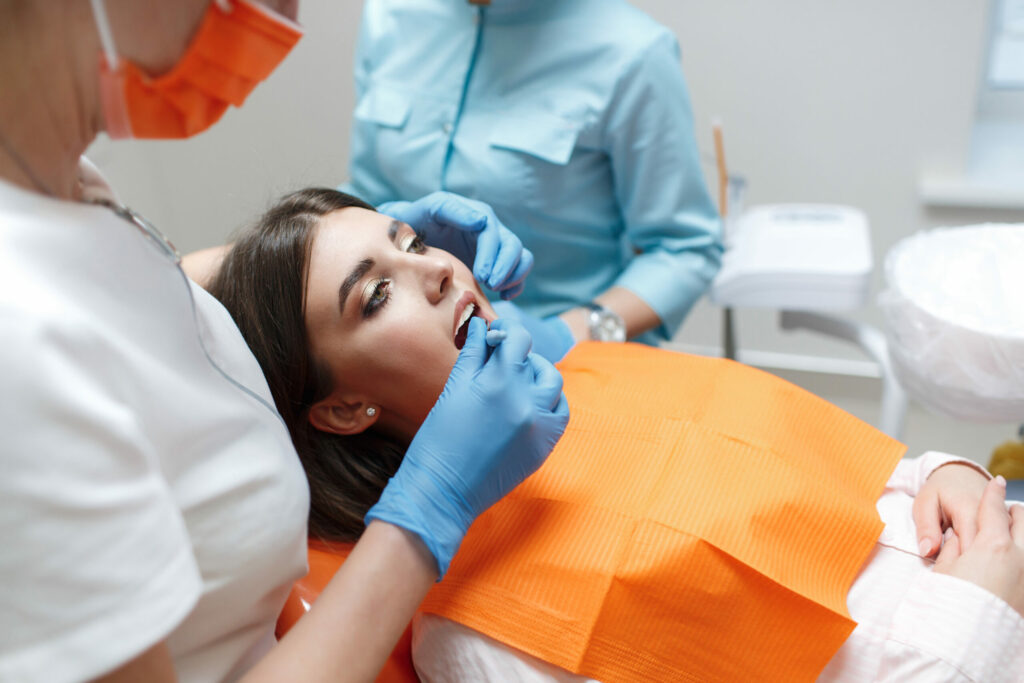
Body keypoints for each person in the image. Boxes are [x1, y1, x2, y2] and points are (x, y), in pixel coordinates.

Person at [204, 188, 1024, 682]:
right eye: (375, 296)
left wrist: (936, 472)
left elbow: (822, 459)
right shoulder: (476, 635)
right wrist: (975, 620)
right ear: (344, 410)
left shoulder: (597, 372)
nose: (438, 268)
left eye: (411, 241)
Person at [0, 2, 568, 682]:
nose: (284, 17)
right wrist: (428, 510)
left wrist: (355, 252)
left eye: (415, 243)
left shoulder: (57, 175)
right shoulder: (21, 352)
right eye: (376, 299)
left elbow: (130, 284)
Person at [343, 0, 723, 360]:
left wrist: (573, 332)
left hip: (567, 361)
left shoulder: (632, 51)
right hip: (409, 356)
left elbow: (686, 247)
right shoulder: (390, 12)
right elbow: (364, 194)